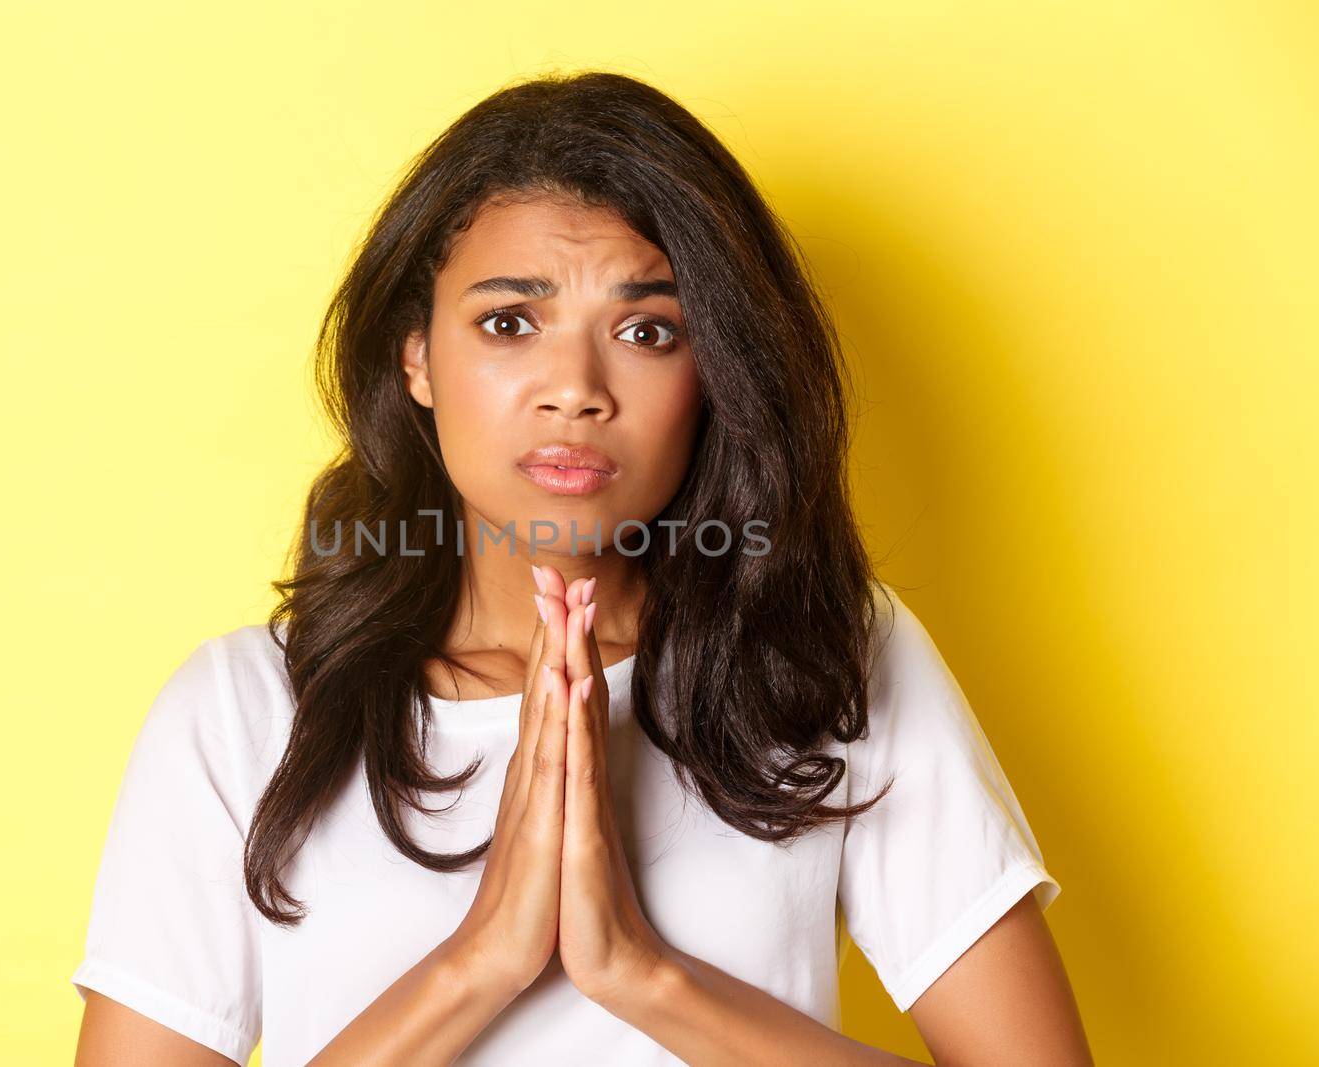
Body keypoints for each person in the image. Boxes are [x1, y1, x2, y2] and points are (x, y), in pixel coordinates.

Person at [70, 71, 1094, 1066]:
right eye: (509, 322)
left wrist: (640, 972)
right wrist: (480, 961)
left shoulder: (826, 656)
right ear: (416, 355)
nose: (575, 388)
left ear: (716, 372)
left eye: (646, 330)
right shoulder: (244, 712)